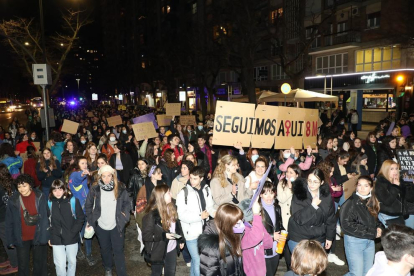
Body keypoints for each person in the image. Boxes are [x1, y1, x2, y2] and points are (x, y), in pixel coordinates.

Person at [84, 165, 132, 276]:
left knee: (118, 251)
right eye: (104, 176)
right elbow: (88, 205)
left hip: (117, 225)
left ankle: (121, 272)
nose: (106, 179)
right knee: (105, 249)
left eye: (109, 176)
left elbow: (127, 203)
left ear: (113, 176)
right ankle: (108, 268)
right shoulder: (95, 189)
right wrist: (92, 221)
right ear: (100, 176)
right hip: (101, 225)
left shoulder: (120, 188)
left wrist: (124, 217)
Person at [6, 174, 49, 276]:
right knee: (23, 265)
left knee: (39, 263)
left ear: (30, 185)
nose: (21, 189)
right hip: (22, 237)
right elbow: (9, 221)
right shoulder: (13, 200)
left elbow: (46, 216)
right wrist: (10, 239)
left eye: (24, 186)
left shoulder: (40, 196)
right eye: (19, 186)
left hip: (38, 236)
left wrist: (46, 236)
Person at [340, 176, 383, 276]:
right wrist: (372, 232)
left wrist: (380, 228)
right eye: (359, 185)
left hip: (369, 242)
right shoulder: (350, 203)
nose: (362, 188)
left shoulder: (372, 202)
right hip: (354, 242)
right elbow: (346, 225)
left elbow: (376, 220)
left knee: (367, 273)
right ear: (356, 187)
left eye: (366, 185)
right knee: (356, 273)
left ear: (371, 188)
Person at [177, 166, 216, 276]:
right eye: (191, 178)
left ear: (201, 178)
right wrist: (200, 216)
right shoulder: (183, 193)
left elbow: (210, 207)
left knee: (196, 261)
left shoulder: (207, 189)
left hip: (205, 232)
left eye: (195, 178)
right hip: (191, 233)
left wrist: (216, 214)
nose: (192, 181)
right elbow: (181, 215)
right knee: (198, 261)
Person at [288, 168, 336, 253]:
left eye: (315, 181)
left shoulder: (326, 196)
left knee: (316, 266)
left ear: (321, 182)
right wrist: (313, 206)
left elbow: (330, 218)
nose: (311, 184)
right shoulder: (299, 193)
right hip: (299, 237)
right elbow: (299, 218)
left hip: (318, 237)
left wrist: (329, 237)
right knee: (301, 265)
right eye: (309, 181)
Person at [142, 185, 185, 276]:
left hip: (172, 248)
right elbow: (146, 236)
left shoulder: (172, 207)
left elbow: (177, 224)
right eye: (168, 193)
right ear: (161, 197)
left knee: (170, 273)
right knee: (156, 273)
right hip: (158, 250)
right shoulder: (151, 215)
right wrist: (163, 235)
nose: (171, 194)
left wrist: (181, 239)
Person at [48, 180, 85, 276]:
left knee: (72, 261)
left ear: (64, 189)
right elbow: (47, 220)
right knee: (60, 264)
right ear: (51, 192)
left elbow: (81, 218)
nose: (58, 193)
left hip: (71, 237)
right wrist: (49, 236)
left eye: (60, 189)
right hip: (56, 237)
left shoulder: (73, 201)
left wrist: (73, 232)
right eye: (55, 190)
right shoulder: (50, 203)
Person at [198, 203, 243, 276]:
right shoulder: (211, 248)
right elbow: (208, 272)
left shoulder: (233, 235)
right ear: (228, 224)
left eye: (241, 221)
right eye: (237, 222)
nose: (242, 225)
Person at [67, 156, 96, 265]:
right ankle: (78, 250)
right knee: (79, 232)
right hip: (78, 210)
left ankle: (89, 254)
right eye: (82, 163)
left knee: (88, 232)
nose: (85, 165)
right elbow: (77, 178)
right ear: (77, 165)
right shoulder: (74, 174)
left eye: (85, 163)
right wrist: (82, 174)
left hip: (87, 209)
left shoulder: (86, 177)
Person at [238, 198, 273, 276]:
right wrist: (256, 216)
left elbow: (269, 244)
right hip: (249, 272)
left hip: (260, 270)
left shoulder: (257, 226)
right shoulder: (239, 230)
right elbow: (255, 238)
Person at [259, 181, 285, 276]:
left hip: (277, 248)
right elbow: (255, 232)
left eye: (271, 193)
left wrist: (284, 233)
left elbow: (280, 224)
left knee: (272, 272)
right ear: (261, 195)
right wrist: (272, 236)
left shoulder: (277, 207)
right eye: (265, 193)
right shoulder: (258, 210)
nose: (269, 196)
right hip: (263, 250)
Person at [375, 160, 407, 227]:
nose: (395, 171)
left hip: (399, 215)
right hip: (388, 216)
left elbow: (408, 197)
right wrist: (395, 187)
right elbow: (387, 201)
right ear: (386, 170)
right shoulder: (380, 183)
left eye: (396, 168)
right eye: (392, 169)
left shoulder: (399, 180)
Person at [0, 164, 18, 274]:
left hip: (3, 218)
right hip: (12, 216)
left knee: (8, 241)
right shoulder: (12, 183)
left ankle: (15, 264)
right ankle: (12, 259)